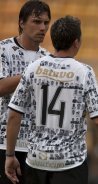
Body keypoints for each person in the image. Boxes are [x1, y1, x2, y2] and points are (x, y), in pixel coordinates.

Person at [5, 15, 98, 184]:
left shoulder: (33, 69)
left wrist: (10, 155)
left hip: (36, 162)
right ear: (76, 42)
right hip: (69, 164)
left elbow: (14, 115)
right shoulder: (83, 72)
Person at [0, 1, 51, 183]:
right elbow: (1, 87)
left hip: (37, 146)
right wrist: (31, 74)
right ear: (22, 22)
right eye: (37, 21)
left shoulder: (48, 58)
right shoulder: (3, 49)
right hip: (6, 144)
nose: (43, 27)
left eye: (46, 23)